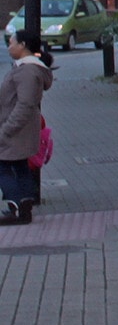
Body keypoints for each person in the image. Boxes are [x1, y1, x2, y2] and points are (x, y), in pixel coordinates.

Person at [0, 31, 53, 224]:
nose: (9, 47)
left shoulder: (28, 71)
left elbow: (25, 104)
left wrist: (6, 129)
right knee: (19, 166)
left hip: (15, 130)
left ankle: (15, 205)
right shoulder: (25, 68)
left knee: (3, 167)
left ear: (22, 45)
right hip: (19, 129)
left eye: (11, 43)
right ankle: (24, 207)